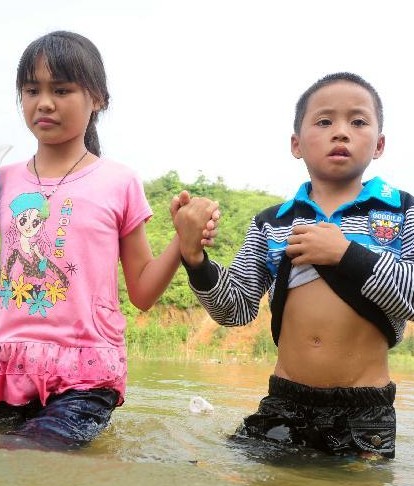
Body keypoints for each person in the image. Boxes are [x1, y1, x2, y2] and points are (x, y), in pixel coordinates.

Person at [0, 30, 218, 449]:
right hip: (6, 364)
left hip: (87, 370)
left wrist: (181, 239)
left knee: (20, 452)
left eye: (61, 89)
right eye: (31, 90)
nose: (44, 102)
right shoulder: (1, 181)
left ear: (97, 98)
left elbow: (142, 291)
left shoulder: (118, 181)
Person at [174, 72, 413, 459]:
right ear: (296, 144)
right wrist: (195, 259)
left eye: (358, 121)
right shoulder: (273, 222)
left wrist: (346, 254)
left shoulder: (402, 211)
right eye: (324, 121)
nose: (341, 132)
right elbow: (235, 309)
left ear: (380, 144)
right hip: (284, 401)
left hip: (364, 411)